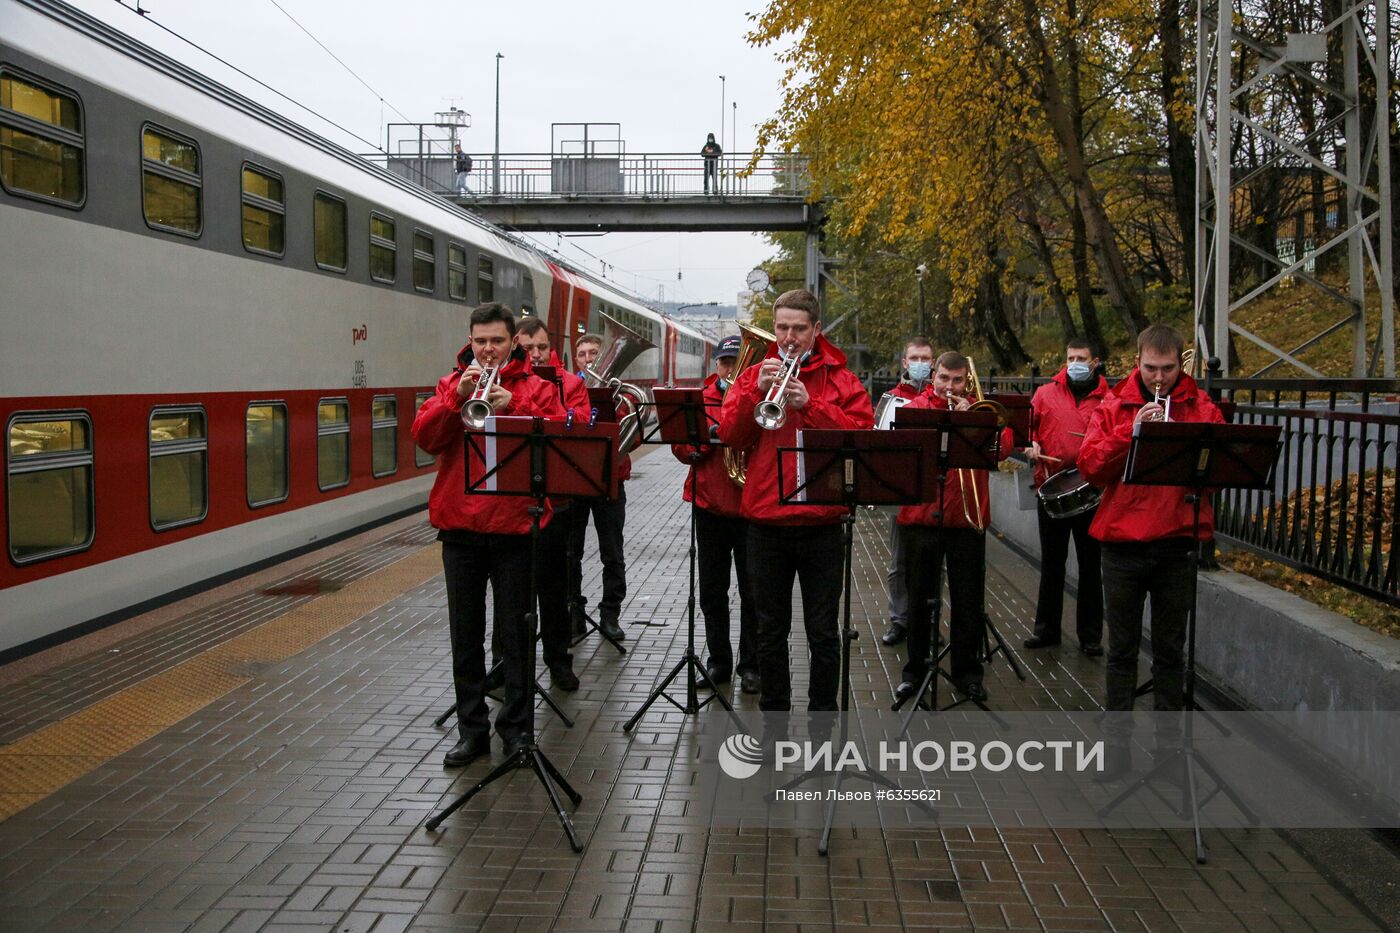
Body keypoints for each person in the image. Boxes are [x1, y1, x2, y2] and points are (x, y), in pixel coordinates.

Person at [412, 303, 566, 767]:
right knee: (465, 637)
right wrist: (452, 401)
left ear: (512, 342)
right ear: (470, 341)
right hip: (460, 528)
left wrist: (513, 406)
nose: (487, 349)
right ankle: (472, 732)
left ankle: (516, 730)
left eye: (496, 341)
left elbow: (558, 438)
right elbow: (425, 438)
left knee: (517, 635)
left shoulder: (537, 386)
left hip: (516, 527)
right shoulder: (449, 384)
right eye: (480, 341)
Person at [1078, 323, 1224, 779]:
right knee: (1121, 651)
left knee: (1170, 654)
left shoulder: (1200, 408)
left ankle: (1168, 753)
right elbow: (1090, 465)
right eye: (1149, 369)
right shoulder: (1114, 404)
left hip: (1176, 543)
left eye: (1166, 370)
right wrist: (1131, 432)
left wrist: (1181, 439)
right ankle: (1116, 750)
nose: (1158, 379)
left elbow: (1218, 471)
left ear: (1179, 365)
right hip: (1122, 544)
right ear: (1136, 362)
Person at [719, 289, 874, 712]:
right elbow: (730, 434)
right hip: (766, 522)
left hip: (823, 524)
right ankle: (774, 720)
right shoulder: (755, 374)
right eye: (782, 327)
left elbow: (861, 436)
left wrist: (813, 405)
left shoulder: (842, 380)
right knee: (770, 631)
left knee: (823, 631)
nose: (789, 337)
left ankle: (823, 718)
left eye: (799, 329)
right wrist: (756, 393)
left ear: (816, 330)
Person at [893, 351, 1015, 706]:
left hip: (967, 519)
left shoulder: (980, 410)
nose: (950, 386)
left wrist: (974, 423)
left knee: (968, 601)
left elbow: (1004, 448)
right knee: (918, 600)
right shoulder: (915, 408)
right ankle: (914, 672)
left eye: (957, 380)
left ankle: (968, 674)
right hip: (921, 518)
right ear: (934, 377)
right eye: (944, 379)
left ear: (967, 381)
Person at [506, 316, 591, 690]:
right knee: (512, 594)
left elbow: (580, 425)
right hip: (514, 502)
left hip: (558, 502)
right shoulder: (504, 385)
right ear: (517, 348)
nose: (537, 354)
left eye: (542, 347)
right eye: (528, 349)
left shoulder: (570, 383)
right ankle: (506, 664)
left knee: (554, 590)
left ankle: (559, 662)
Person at [671, 335, 759, 693]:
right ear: (717, 365)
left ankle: (751, 666)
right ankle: (718, 662)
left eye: (737, 362)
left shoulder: (760, 398)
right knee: (711, 591)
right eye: (726, 362)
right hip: (709, 505)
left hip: (751, 508)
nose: (731, 368)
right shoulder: (701, 399)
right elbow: (680, 447)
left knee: (753, 591)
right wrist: (708, 436)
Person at [1024, 338, 1108, 655]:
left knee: (1090, 566)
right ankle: (1046, 631)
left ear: (1095, 361)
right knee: (1052, 565)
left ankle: (1090, 637)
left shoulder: (1107, 398)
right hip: (1051, 487)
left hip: (1091, 493)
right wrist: (1032, 445)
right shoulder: (1045, 394)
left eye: (1082, 358)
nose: (1075, 362)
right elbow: (1028, 428)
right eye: (1071, 357)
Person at [569, 332, 628, 642]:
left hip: (609, 479)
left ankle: (610, 614)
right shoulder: (566, 388)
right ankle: (574, 613)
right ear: (576, 359)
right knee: (570, 552)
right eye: (583, 354)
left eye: (594, 353)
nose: (589, 359)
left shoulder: (618, 391)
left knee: (612, 553)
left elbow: (633, 435)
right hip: (574, 479)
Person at [878, 336, 936, 648]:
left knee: (931, 564)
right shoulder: (890, 398)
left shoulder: (942, 395)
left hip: (933, 492)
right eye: (915, 358)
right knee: (899, 562)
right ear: (904, 362)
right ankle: (899, 620)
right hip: (901, 491)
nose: (920, 364)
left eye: (926, 358)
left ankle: (926, 622)